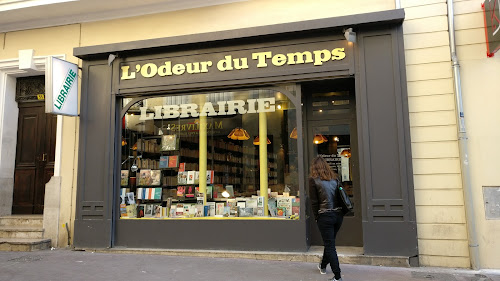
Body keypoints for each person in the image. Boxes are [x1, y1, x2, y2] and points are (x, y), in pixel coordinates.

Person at [309, 156, 344, 281]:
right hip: (338, 215)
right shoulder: (335, 178)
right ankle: (323, 265)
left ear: (314, 167)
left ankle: (338, 276)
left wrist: (317, 217)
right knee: (330, 243)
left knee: (330, 245)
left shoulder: (313, 180)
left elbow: (314, 202)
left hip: (325, 215)